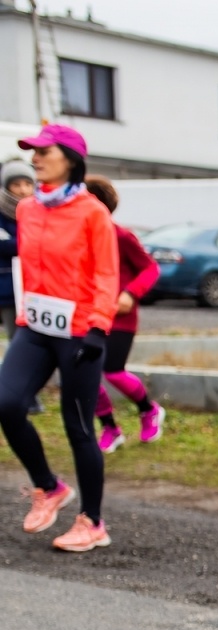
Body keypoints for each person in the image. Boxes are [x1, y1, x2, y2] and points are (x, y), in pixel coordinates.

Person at [0, 124, 118, 551]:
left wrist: (98, 328)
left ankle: (93, 522)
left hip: (80, 332)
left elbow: (106, 273)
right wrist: (24, 315)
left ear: (70, 159)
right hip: (35, 327)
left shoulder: (92, 213)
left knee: (79, 427)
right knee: (7, 404)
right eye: (32, 152)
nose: (34, 159)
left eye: (43, 152)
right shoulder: (27, 209)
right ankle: (48, 487)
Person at [81, 176, 164, 453]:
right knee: (85, 374)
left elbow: (151, 268)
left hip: (119, 317)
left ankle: (148, 410)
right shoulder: (77, 236)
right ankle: (110, 427)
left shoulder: (120, 235)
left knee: (113, 372)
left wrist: (130, 293)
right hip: (86, 315)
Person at [1, 159, 35, 340]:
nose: (23, 190)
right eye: (17, 184)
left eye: (28, 184)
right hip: (7, 289)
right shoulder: (2, 213)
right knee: (15, 339)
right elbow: (5, 245)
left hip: (39, 289)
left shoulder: (41, 209)